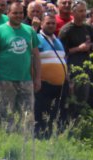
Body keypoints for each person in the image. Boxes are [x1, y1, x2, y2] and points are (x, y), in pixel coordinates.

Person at [0, 1, 40, 132]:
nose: (18, 16)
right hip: (4, 80)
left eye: (21, 13)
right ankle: (8, 142)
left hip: (26, 80)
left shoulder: (29, 31)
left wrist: (38, 78)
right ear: (8, 13)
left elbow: (36, 56)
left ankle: (26, 142)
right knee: (7, 116)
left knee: (27, 117)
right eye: (15, 13)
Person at [35, 6, 66, 136]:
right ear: (42, 24)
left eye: (53, 23)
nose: (51, 25)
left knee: (55, 114)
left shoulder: (58, 40)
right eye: (48, 23)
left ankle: (53, 135)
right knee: (41, 113)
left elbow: (63, 61)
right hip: (43, 84)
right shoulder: (37, 38)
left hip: (60, 86)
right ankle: (39, 136)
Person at [59, 1, 93, 104]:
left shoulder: (88, 28)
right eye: (80, 11)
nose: (83, 13)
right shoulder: (66, 30)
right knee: (72, 99)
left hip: (86, 68)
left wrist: (91, 46)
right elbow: (62, 52)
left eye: (84, 11)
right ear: (73, 12)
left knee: (84, 97)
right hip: (72, 69)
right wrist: (78, 48)